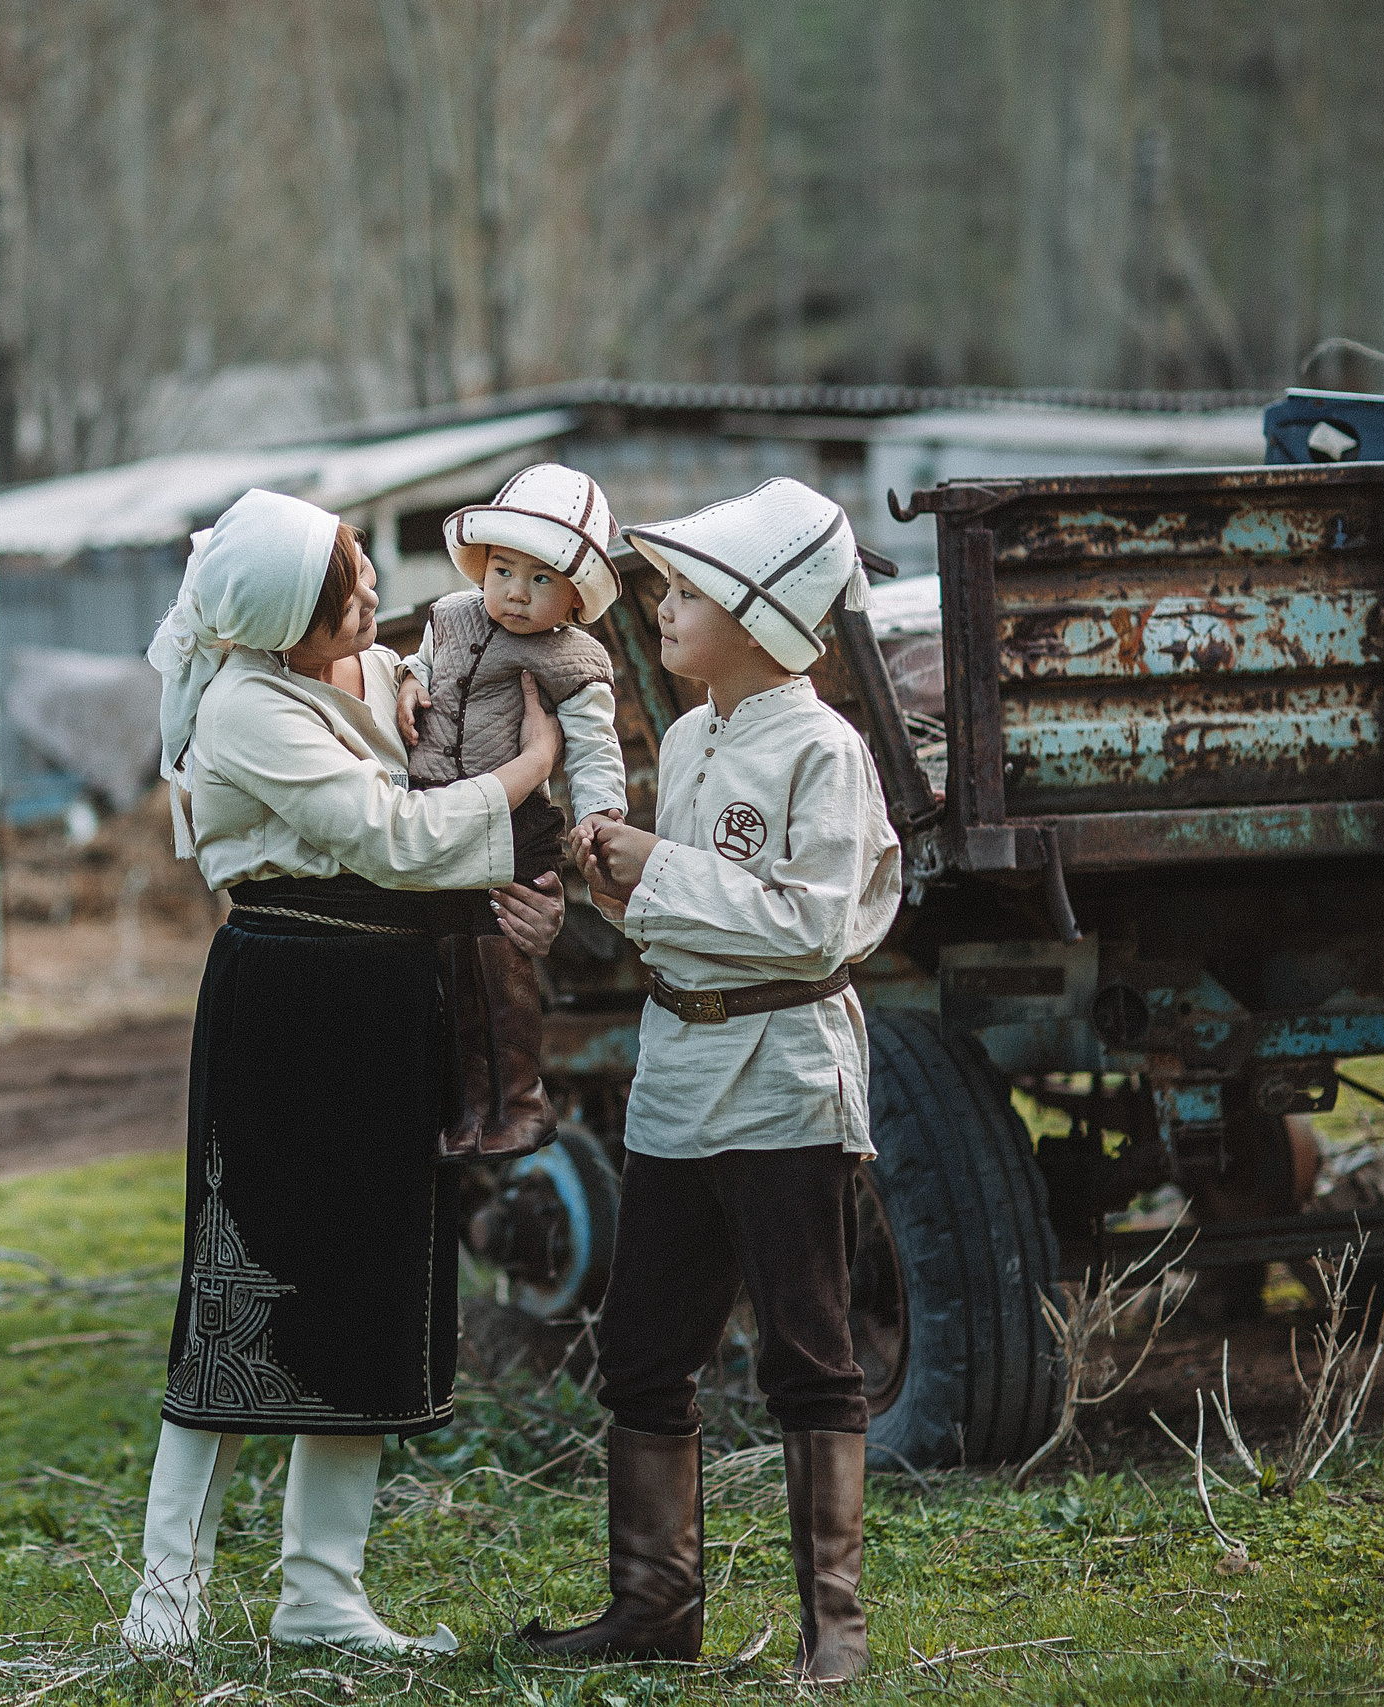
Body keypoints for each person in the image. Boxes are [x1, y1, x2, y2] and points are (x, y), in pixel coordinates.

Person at [127, 487, 565, 1654]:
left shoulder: (366, 666)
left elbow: (419, 716)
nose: (374, 599)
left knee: (371, 1286)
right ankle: (164, 1598)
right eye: (349, 599)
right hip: (286, 1003)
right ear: (284, 626)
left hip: (385, 998)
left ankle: (321, 1595)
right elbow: (397, 839)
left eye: (364, 572)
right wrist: (532, 764)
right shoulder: (243, 707)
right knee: (237, 1291)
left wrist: (418, 680)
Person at [517, 477, 902, 1685]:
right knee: (642, 1347)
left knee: (807, 1349)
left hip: (784, 1074)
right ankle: (654, 1607)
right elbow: (682, 920)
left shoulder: (824, 752)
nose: (662, 607)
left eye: (687, 591)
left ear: (763, 617)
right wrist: (602, 887)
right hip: (678, 1072)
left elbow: (810, 928)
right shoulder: (689, 738)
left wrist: (658, 868)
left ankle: (834, 1628)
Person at [396, 463, 632, 881]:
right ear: (484, 566)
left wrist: (598, 808)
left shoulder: (575, 659)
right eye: (503, 571)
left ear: (576, 597)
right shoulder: (449, 614)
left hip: (516, 817)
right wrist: (412, 679)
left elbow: (593, 743)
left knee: (513, 905)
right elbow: (427, 661)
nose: (517, 593)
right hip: (428, 797)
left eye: (541, 579)